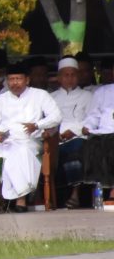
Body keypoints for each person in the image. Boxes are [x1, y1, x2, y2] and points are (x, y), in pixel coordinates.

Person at [0, 62, 61, 210]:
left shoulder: (40, 95)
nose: (15, 83)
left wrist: (37, 125)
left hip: (30, 141)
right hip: (4, 141)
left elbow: (56, 116)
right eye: (11, 79)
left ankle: (20, 199)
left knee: (20, 152)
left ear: (27, 80)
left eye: (18, 79)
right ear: (7, 81)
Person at [50, 56, 93, 205]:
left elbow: (91, 120)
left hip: (78, 137)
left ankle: (75, 194)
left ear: (78, 76)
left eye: (73, 75)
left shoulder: (88, 96)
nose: (70, 78)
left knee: (75, 152)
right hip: (56, 139)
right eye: (66, 75)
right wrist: (56, 134)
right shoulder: (51, 98)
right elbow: (47, 120)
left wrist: (74, 131)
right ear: (59, 77)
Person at [79, 61, 114, 199]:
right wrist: (88, 126)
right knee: (94, 145)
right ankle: (103, 191)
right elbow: (94, 115)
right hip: (104, 132)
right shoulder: (102, 92)